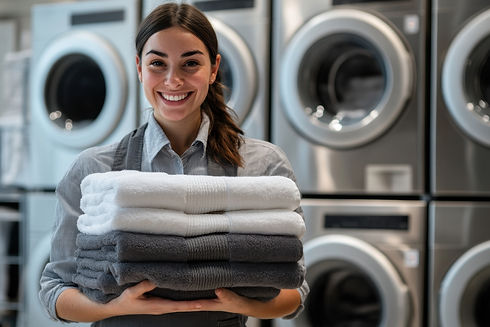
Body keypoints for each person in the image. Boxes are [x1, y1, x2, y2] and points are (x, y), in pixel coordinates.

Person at [39, 3, 309, 326]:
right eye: (157, 63)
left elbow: (295, 289)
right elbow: (55, 291)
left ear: (213, 69)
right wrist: (119, 307)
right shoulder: (95, 171)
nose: (173, 81)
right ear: (140, 68)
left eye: (190, 63)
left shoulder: (263, 165)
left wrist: (243, 303)